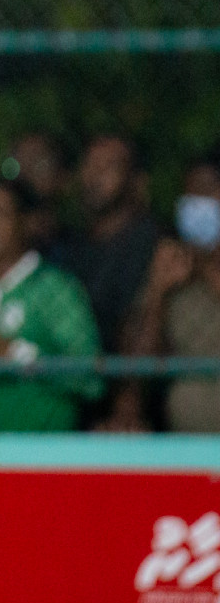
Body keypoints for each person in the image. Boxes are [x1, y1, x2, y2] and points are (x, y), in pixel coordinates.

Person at [0, 180, 102, 432]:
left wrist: (15, 353)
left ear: (26, 223)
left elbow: (89, 380)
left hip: (45, 457)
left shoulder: (53, 287)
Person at [101, 153, 220, 433]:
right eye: (188, 196)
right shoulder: (172, 271)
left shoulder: (199, 268)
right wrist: (157, 293)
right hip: (188, 455)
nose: (194, 204)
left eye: (205, 192)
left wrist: (206, 268)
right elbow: (139, 374)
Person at [61, 134, 161, 352]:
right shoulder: (69, 247)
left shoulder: (155, 246)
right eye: (90, 164)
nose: (95, 176)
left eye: (110, 167)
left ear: (137, 181)